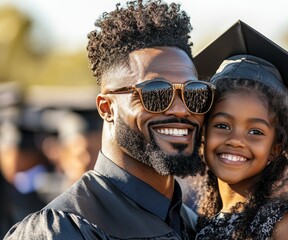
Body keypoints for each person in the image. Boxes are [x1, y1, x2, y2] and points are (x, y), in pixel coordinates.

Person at [4, 0, 216, 239]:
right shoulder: (62, 228)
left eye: (194, 93)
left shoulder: (197, 227)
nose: (181, 109)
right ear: (106, 108)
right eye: (156, 94)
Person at [192, 20, 288, 239]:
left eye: (255, 132)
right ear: (203, 134)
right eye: (222, 126)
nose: (236, 140)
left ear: (275, 147)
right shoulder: (202, 218)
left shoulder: (281, 223)